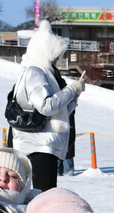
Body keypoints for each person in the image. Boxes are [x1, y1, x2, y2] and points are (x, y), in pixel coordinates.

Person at [10, 20, 84, 191]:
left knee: (46, 196)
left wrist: (74, 98)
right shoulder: (35, 72)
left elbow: (57, 112)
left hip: (43, 145)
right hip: (37, 146)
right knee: (42, 198)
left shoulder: (43, 73)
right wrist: (71, 90)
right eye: (54, 56)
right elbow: (46, 106)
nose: (57, 60)